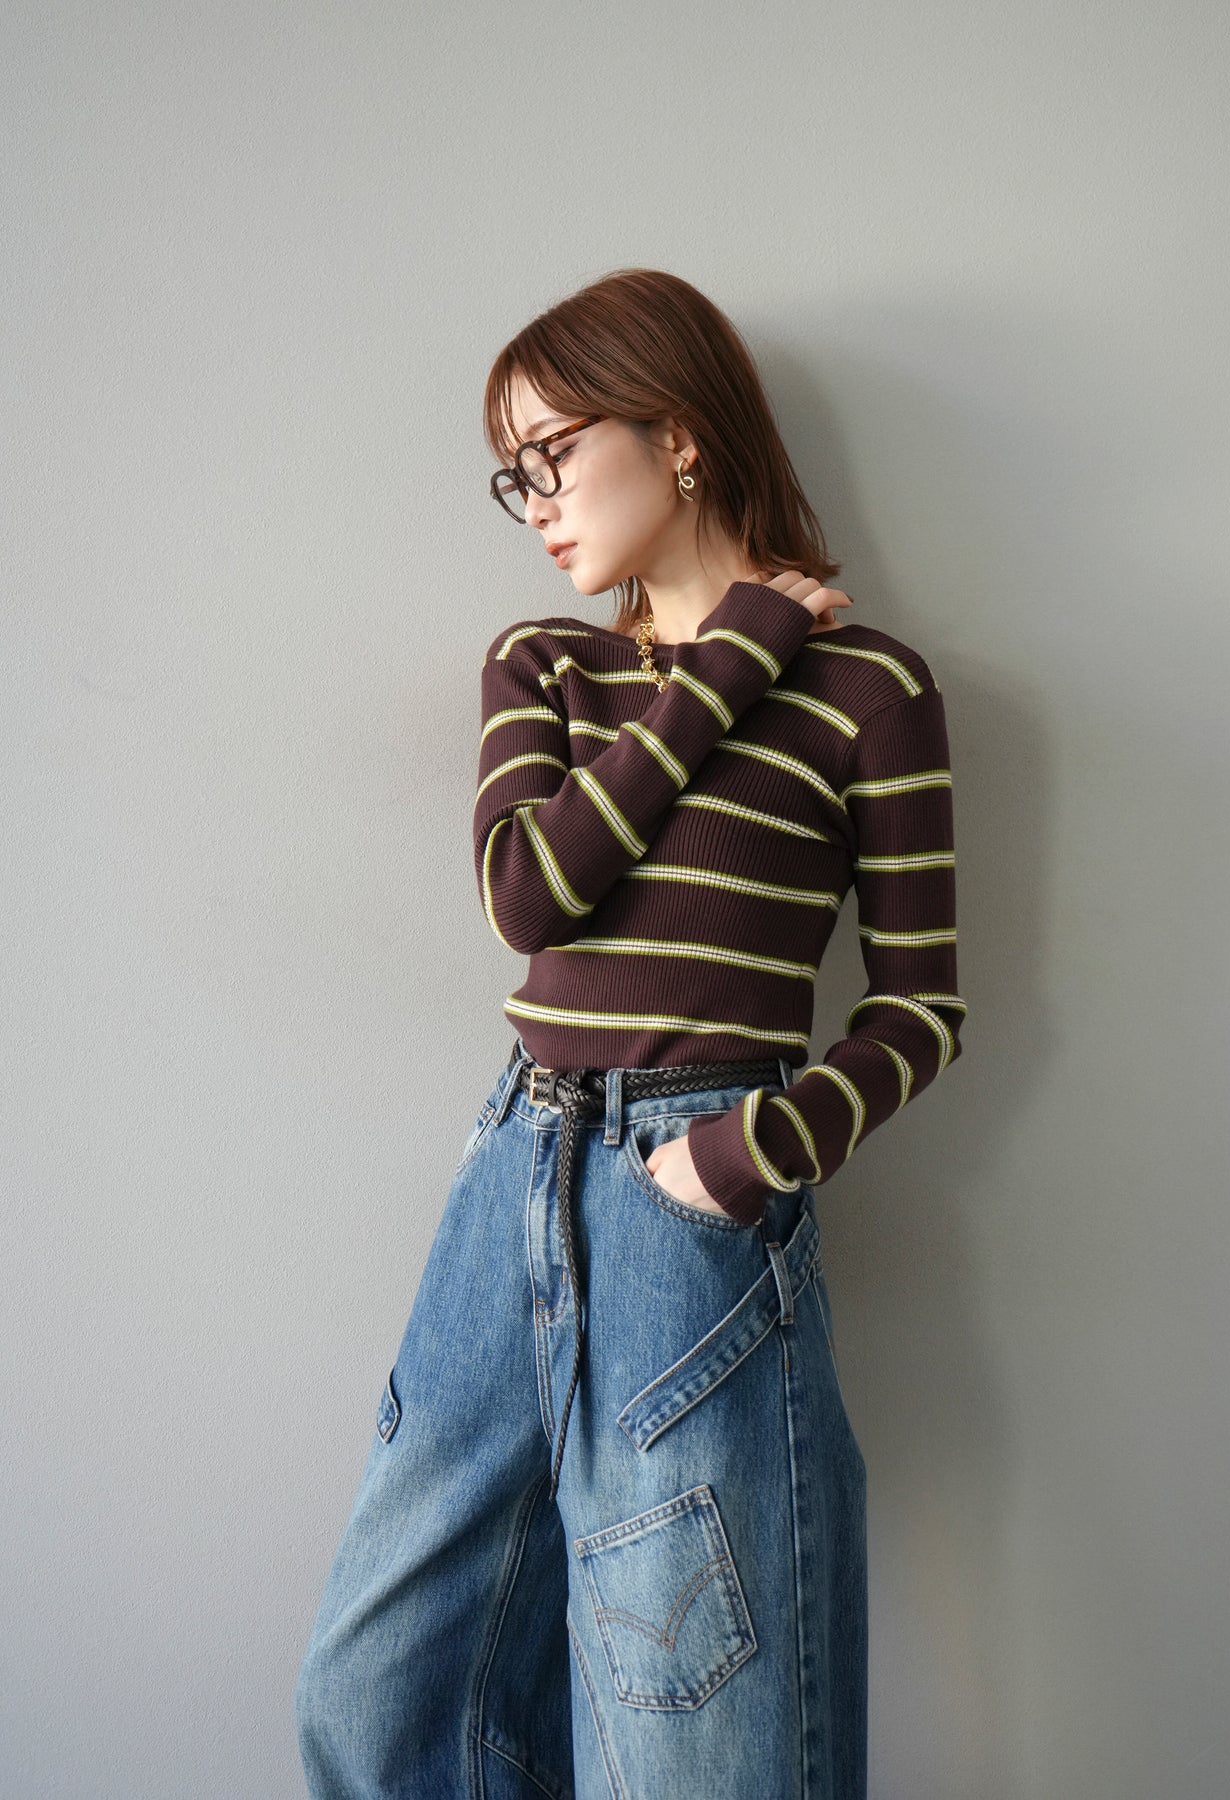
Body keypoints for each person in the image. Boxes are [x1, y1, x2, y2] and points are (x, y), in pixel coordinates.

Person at [295, 267, 966, 1798]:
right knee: (379, 1697)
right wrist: (727, 658)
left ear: (675, 435)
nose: (533, 502)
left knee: (689, 1735)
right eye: (511, 474)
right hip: (510, 1175)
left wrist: (740, 1161)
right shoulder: (547, 664)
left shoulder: (869, 691)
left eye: (552, 453)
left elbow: (922, 1009)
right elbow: (531, 895)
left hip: (693, 1197)